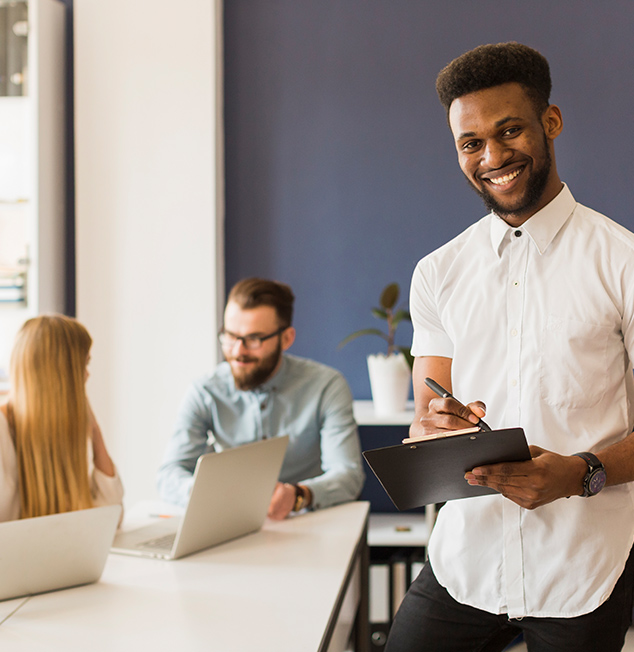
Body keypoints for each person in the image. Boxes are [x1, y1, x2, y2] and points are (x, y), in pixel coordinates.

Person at [385, 42, 634, 652]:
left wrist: (581, 474)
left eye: (510, 131)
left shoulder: (623, 262)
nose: (492, 157)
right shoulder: (437, 273)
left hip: (585, 568)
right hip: (465, 559)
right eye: (471, 143)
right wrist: (437, 428)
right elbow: (427, 420)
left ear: (550, 123)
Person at [157, 277, 364, 519]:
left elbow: (348, 475)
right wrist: (214, 496)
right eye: (230, 336)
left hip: (308, 520)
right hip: (230, 523)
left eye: (253, 339)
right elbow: (169, 474)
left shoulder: (327, 386)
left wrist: (299, 496)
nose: (237, 352)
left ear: (286, 338)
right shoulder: (204, 391)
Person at [0, 314, 123, 521]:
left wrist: (94, 430)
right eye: (83, 366)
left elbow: (111, 517)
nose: (87, 376)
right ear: (62, 375)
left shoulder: (54, 435)